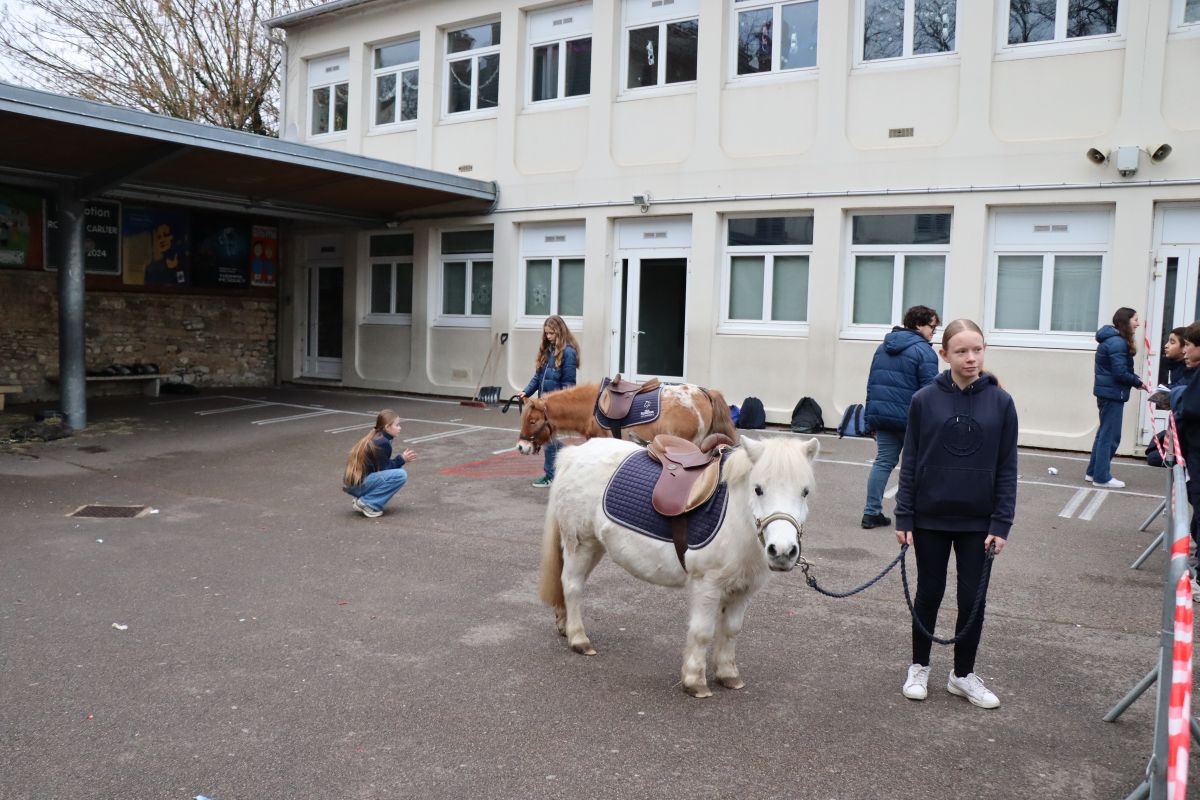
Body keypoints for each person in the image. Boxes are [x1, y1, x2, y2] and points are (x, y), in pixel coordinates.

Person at [895, 319, 1018, 710]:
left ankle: (962, 675)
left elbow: (1007, 466)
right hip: (930, 518)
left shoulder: (1001, 402)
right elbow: (910, 459)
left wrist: (1001, 522)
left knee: (973, 600)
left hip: (979, 524)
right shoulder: (923, 400)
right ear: (943, 354)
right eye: (962, 351)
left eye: (977, 349)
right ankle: (919, 666)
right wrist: (904, 515)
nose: (971, 358)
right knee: (929, 593)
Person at [861, 305, 941, 529]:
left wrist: (870, 421)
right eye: (932, 327)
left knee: (883, 462)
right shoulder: (925, 352)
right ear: (918, 324)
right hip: (912, 420)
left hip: (883, 418)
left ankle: (871, 512)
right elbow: (930, 391)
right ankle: (914, 514)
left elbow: (872, 386)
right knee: (916, 466)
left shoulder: (882, 348)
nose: (934, 332)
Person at [1086, 308, 1147, 489]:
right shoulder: (1118, 343)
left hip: (1107, 393)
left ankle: (1093, 472)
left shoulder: (1111, 340)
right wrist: (1137, 382)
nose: (1138, 323)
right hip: (1112, 394)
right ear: (1126, 321)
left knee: (1104, 433)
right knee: (1110, 436)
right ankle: (1102, 477)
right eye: (1135, 319)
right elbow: (1120, 372)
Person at [518, 315, 579, 488]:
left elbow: (569, 385)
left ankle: (551, 475)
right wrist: (526, 391)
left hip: (556, 406)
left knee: (547, 439)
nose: (549, 337)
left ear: (560, 332)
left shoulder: (568, 352)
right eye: (546, 334)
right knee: (549, 439)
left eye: (552, 333)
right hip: (543, 404)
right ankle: (569, 463)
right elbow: (538, 377)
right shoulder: (548, 350)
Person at [343, 409, 417, 518]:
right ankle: (369, 503)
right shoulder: (383, 442)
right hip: (358, 485)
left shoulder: (377, 436)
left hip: (354, 484)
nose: (400, 428)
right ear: (387, 427)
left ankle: (362, 500)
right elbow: (385, 469)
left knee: (393, 474)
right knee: (400, 475)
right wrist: (402, 459)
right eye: (397, 425)